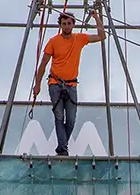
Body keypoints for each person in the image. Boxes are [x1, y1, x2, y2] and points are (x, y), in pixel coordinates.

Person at [33, 10, 106, 156]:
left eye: (69, 23)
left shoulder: (79, 38)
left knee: (71, 120)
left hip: (71, 85)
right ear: (60, 25)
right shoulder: (53, 42)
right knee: (59, 116)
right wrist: (37, 84)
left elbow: (101, 36)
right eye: (64, 24)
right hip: (55, 83)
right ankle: (62, 149)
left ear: (73, 24)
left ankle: (62, 144)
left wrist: (96, 17)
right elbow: (43, 64)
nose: (66, 26)